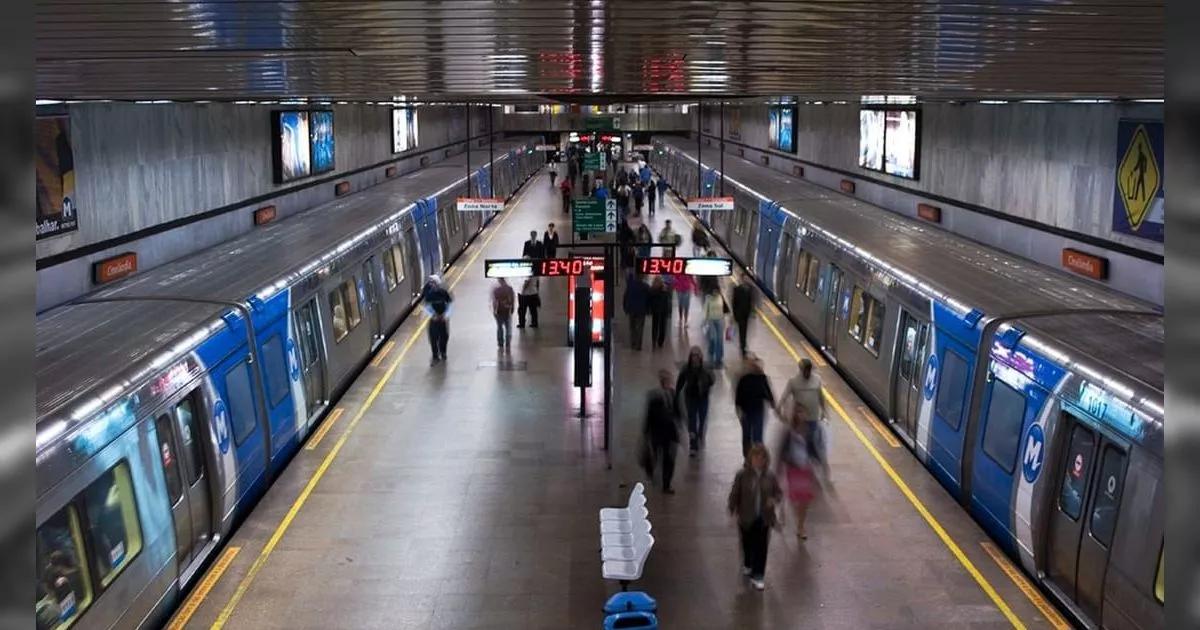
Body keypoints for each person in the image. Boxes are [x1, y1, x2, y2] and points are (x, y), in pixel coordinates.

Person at [727, 443, 783, 590]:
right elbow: (735, 494)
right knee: (747, 543)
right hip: (746, 517)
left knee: (761, 546)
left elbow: (778, 493)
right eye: (756, 457)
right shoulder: (742, 475)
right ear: (750, 458)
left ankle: (758, 575)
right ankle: (748, 563)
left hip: (763, 518)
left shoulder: (770, 476)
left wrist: (774, 500)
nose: (758, 461)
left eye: (762, 458)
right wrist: (732, 511)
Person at [778, 358, 830, 481]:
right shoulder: (794, 382)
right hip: (799, 420)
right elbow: (785, 395)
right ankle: (807, 465)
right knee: (802, 443)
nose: (807, 372)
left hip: (813, 418)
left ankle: (818, 465)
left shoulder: (817, 380)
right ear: (801, 370)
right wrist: (779, 407)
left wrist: (824, 411)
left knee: (813, 442)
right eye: (805, 370)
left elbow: (821, 397)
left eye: (808, 370)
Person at [779, 402, 818, 540]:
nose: (800, 415)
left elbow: (813, 449)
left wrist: (817, 463)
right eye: (798, 412)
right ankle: (796, 520)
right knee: (797, 497)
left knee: (805, 499)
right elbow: (782, 452)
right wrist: (781, 467)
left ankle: (801, 526)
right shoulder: (789, 432)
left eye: (802, 412)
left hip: (805, 468)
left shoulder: (808, 431)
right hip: (793, 469)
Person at [643, 369, 682, 494]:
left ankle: (666, 484)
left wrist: (679, 425)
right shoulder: (654, 396)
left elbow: (678, 412)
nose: (668, 382)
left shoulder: (673, 394)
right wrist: (646, 431)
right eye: (665, 380)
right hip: (657, 431)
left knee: (669, 459)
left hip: (670, 432)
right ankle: (651, 470)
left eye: (669, 380)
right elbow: (649, 415)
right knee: (655, 456)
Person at [675, 346, 714, 455]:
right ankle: (693, 445)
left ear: (700, 357)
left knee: (702, 419)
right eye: (693, 356)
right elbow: (680, 383)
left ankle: (700, 434)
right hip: (691, 398)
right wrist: (677, 395)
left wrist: (705, 385)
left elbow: (712, 380)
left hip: (703, 398)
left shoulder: (706, 369)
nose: (695, 358)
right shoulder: (686, 369)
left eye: (697, 356)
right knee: (692, 420)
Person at [735, 354, 776, 457]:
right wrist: (739, 411)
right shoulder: (743, 379)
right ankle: (747, 458)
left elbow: (768, 393)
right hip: (746, 412)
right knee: (747, 436)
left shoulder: (762, 378)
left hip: (758, 411)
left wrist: (772, 402)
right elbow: (738, 397)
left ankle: (758, 458)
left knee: (758, 437)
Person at [423, 275, 453, 364]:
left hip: (443, 319)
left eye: (433, 282)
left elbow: (450, 304)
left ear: (437, 284)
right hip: (434, 319)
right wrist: (433, 315)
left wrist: (446, 315)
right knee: (433, 338)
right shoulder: (429, 294)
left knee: (444, 337)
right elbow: (427, 306)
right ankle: (435, 355)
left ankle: (443, 352)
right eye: (430, 283)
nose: (431, 284)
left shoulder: (443, 293)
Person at [623, 270, 650, 351]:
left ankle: (633, 343)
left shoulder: (630, 285)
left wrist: (625, 307)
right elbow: (649, 299)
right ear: (642, 277)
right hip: (641, 310)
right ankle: (638, 345)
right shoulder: (645, 286)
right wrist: (648, 309)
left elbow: (625, 297)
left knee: (632, 327)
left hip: (631, 309)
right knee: (640, 327)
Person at [702, 286, 728, 367]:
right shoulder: (708, 298)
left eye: (717, 291)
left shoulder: (721, 297)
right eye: (714, 291)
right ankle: (711, 353)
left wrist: (727, 320)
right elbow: (705, 309)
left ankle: (719, 358)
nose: (716, 293)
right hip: (711, 320)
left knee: (720, 339)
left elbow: (725, 309)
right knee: (714, 338)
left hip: (720, 320)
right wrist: (704, 320)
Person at [731, 277, 755, 357]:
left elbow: (751, 301)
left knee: (744, 331)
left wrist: (751, 312)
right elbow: (734, 303)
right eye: (744, 279)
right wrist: (734, 315)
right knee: (742, 332)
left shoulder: (750, 289)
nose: (745, 280)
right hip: (739, 314)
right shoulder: (737, 289)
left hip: (746, 314)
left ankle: (743, 345)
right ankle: (742, 347)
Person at [491, 278, 516, 350]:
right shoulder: (509, 289)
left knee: (499, 327)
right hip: (507, 310)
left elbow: (494, 301)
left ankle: (500, 343)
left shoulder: (497, 290)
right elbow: (513, 299)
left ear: (499, 281)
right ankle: (508, 342)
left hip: (498, 311)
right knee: (508, 327)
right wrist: (512, 308)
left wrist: (494, 310)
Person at [648, 276, 671, 350]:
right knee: (662, 327)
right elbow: (667, 301)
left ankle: (654, 341)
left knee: (655, 326)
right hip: (663, 310)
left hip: (655, 310)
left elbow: (650, 300)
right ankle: (660, 342)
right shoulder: (664, 290)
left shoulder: (652, 290)